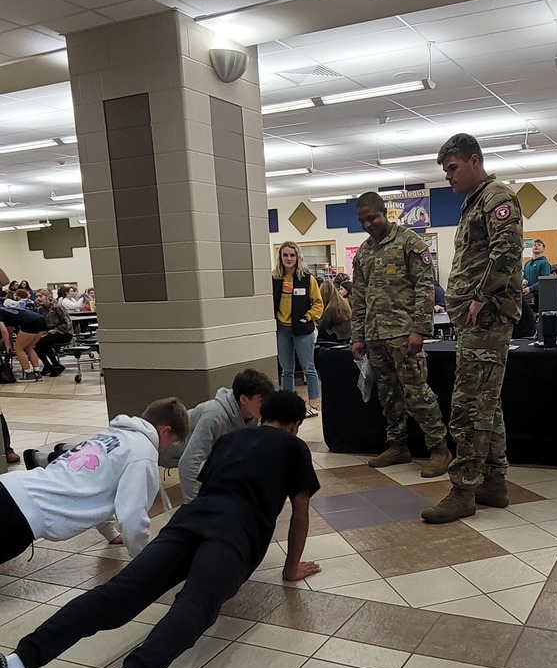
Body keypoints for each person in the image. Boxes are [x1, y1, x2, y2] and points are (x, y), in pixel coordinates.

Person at [0, 391, 321, 668]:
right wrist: (290, 568)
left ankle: (16, 665)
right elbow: (300, 512)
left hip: (188, 519)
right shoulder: (294, 448)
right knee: (195, 605)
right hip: (235, 532)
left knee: (116, 596)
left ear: (261, 413)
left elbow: (201, 484)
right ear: (296, 425)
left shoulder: (230, 439)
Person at [421, 133, 523, 524]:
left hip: (488, 317)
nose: (448, 176)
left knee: (467, 405)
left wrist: (480, 295)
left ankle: (463, 489)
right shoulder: (474, 202)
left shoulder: (497, 196)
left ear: (474, 160)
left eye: (452, 168)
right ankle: (494, 484)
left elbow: (508, 252)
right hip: (473, 319)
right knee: (487, 404)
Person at [0, 397, 188, 567]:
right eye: (173, 441)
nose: (170, 447)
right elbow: (133, 515)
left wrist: (111, 533)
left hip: (10, 486)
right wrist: (144, 560)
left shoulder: (112, 435)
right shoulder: (143, 455)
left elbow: (99, 488)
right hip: (21, 514)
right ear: (165, 430)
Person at [351, 192, 451, 478]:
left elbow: (424, 288)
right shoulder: (364, 252)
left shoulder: (410, 243)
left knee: (417, 392)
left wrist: (420, 329)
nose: (368, 224)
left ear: (385, 213)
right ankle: (398, 445)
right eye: (362, 221)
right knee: (388, 394)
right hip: (375, 336)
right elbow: (359, 297)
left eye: (372, 217)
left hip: (403, 334)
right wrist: (357, 336)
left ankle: (439, 449)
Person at [158, 368, 274, 501]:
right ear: (244, 399)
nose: (267, 406)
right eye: (262, 401)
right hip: (164, 448)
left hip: (198, 453)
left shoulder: (252, 417)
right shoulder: (214, 416)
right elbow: (188, 464)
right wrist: (194, 507)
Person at [272, 241, 323, 417]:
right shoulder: (274, 279)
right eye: (285, 255)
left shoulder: (308, 279)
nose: (288, 258)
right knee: (286, 370)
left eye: (292, 255)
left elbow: (318, 304)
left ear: (297, 257)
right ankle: (288, 404)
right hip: (281, 330)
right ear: (280, 257)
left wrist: (307, 317)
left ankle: (313, 403)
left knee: (309, 367)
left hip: (303, 330)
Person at [33, 287, 72, 376]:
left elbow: (67, 324)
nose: (38, 298)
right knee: (35, 343)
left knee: (43, 341)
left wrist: (52, 331)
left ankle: (55, 365)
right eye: (37, 296)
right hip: (49, 333)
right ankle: (47, 365)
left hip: (64, 333)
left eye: (40, 296)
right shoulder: (40, 309)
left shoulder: (57, 307)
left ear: (48, 297)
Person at [318, 279, 352, 343]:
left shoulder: (331, 307)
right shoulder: (343, 302)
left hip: (337, 336)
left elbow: (322, 326)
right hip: (347, 335)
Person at [523, 239, 551, 311]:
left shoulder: (544, 264)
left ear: (543, 249)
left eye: (539, 245)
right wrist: (523, 281)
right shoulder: (527, 264)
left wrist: (530, 288)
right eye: (534, 244)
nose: (536, 246)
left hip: (539, 296)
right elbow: (524, 276)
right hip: (527, 295)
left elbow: (544, 281)